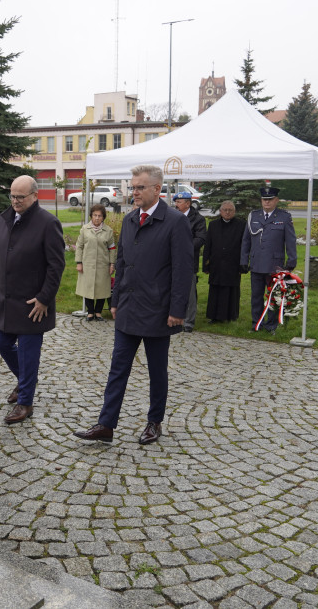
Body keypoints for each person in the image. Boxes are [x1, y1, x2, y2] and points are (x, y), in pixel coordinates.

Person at [73, 165, 193, 445]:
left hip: (159, 310)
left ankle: (154, 422)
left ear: (156, 189)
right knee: (118, 367)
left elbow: (183, 270)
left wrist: (177, 310)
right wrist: (115, 299)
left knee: (156, 370)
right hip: (128, 306)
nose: (134, 192)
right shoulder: (128, 220)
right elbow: (123, 263)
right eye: (132, 187)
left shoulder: (175, 222)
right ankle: (106, 424)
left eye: (139, 187)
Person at [0, 175, 65, 423]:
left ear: (35, 196)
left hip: (34, 304)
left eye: (20, 196)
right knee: (0, 341)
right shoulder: (4, 218)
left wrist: (44, 298)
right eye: (12, 195)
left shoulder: (48, 223)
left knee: (28, 354)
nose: (15, 201)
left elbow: (56, 266)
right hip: (6, 300)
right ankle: (26, 382)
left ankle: (25, 403)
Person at [240, 186, 297, 333]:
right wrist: (243, 260)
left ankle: (271, 325)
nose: (267, 202)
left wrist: (292, 260)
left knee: (273, 296)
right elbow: (246, 240)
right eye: (264, 200)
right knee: (256, 296)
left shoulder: (284, 217)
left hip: (275, 265)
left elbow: (290, 241)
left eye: (270, 200)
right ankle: (256, 324)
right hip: (257, 263)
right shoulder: (253, 216)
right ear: (261, 200)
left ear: (276, 200)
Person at [202, 200, 246, 323]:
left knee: (231, 291)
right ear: (220, 211)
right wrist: (205, 265)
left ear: (234, 211)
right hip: (216, 264)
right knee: (215, 290)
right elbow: (208, 246)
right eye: (225, 210)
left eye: (230, 210)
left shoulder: (241, 225)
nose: (227, 212)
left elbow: (244, 246)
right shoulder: (213, 225)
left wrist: (243, 265)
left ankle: (230, 316)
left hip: (233, 264)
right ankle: (214, 316)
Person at [172, 191, 206, 332]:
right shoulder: (173, 217)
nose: (176, 204)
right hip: (172, 260)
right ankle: (174, 318)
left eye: (179, 202)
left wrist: (184, 247)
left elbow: (201, 238)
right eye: (176, 202)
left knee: (189, 292)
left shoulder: (198, 219)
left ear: (188, 203)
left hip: (188, 260)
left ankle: (188, 322)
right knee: (173, 291)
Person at [74, 204, 115, 321]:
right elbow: (79, 246)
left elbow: (112, 248)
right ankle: (90, 312)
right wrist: (79, 262)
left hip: (103, 265)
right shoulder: (84, 229)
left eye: (99, 216)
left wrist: (112, 264)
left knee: (102, 289)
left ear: (103, 217)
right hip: (87, 264)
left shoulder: (108, 231)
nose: (97, 218)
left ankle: (98, 312)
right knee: (87, 289)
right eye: (95, 215)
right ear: (91, 216)